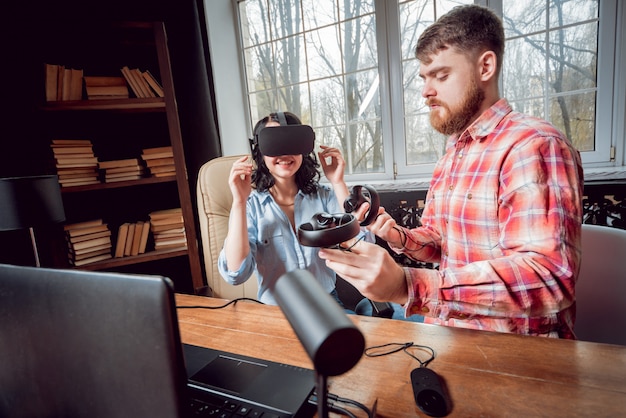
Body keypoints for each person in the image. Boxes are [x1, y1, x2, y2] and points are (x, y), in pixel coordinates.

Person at [318, 4, 584, 338]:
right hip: (451, 333)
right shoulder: (454, 152)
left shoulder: (533, 145)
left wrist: (407, 285)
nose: (426, 92)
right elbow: (443, 243)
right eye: (424, 79)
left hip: (517, 356)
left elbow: (549, 278)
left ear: (485, 66)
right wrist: (397, 235)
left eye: (441, 76)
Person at [218, 111, 364, 306]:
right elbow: (235, 274)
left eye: (291, 143)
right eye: (275, 144)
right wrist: (239, 202)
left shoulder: (324, 197)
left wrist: (338, 182)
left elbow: (360, 246)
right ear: (260, 152)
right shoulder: (250, 207)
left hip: (326, 303)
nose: (284, 154)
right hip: (276, 311)